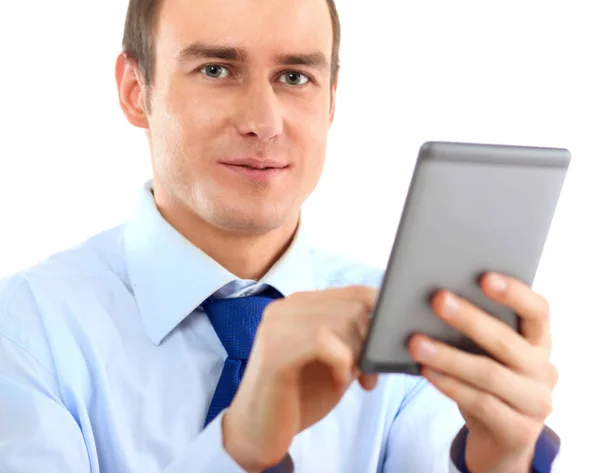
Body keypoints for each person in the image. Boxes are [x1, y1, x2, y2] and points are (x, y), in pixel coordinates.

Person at [0, 0, 561, 472]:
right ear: (134, 89)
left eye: (295, 77)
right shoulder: (24, 334)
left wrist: (498, 460)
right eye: (217, 70)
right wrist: (239, 448)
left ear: (331, 100)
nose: (264, 122)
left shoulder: (411, 329)